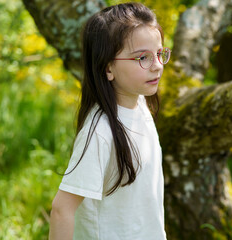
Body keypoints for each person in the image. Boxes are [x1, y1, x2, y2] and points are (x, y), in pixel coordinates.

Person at [49, 2, 171, 239]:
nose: (157, 66)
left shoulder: (140, 104)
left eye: (159, 54)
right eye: (142, 58)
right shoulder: (100, 131)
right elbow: (62, 209)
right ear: (108, 68)